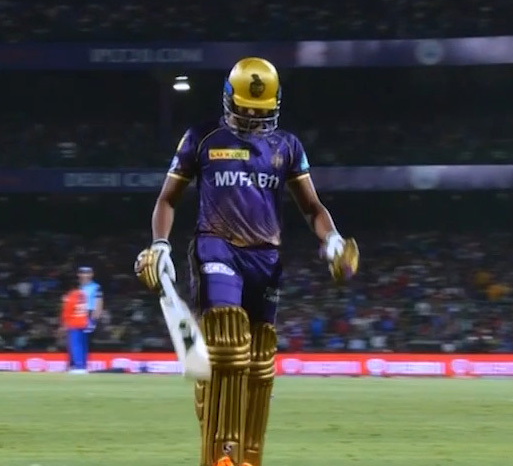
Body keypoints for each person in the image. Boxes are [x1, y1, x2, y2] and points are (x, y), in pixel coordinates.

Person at [135, 57, 359, 466]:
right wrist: (161, 244)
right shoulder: (202, 137)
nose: (254, 121)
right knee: (228, 343)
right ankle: (221, 456)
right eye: (246, 112)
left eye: (261, 113)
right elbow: (167, 198)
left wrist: (332, 240)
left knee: (258, 363)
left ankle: (247, 455)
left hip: (266, 257)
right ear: (229, 102)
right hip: (216, 247)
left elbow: (312, 208)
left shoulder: (287, 146)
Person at [78, 266, 103, 369]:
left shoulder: (96, 287)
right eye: (83, 273)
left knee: (87, 340)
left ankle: (86, 364)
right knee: (78, 340)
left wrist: (94, 319)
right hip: (79, 314)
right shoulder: (79, 287)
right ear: (79, 275)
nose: (85, 275)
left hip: (89, 314)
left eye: (88, 273)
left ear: (91, 274)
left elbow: (99, 302)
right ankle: (79, 363)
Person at [60, 288, 89, 374]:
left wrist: (65, 323)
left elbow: (66, 312)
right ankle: (82, 366)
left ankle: (78, 366)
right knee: (82, 346)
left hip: (74, 324)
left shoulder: (70, 298)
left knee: (75, 346)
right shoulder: (82, 296)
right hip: (83, 323)